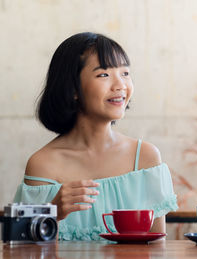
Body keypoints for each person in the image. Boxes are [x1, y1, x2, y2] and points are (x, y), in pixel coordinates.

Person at [13, 32, 178, 240]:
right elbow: (22, 250)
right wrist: (52, 212)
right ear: (72, 88)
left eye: (125, 73)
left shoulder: (145, 157)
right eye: (103, 75)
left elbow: (156, 247)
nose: (120, 86)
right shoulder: (42, 165)